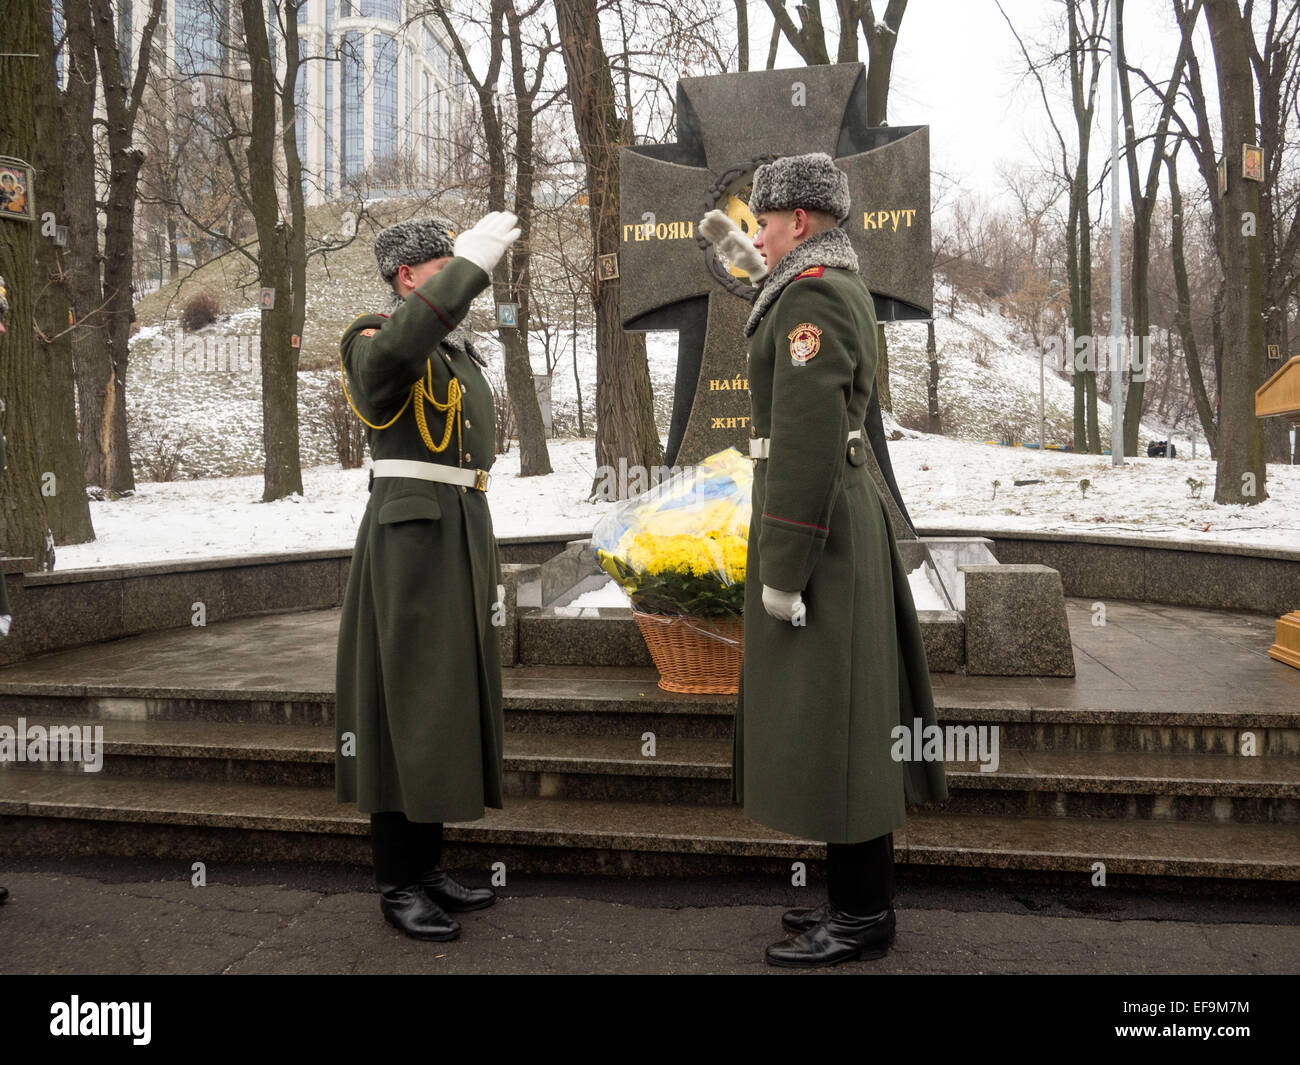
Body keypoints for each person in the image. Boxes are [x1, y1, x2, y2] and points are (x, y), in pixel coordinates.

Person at [701, 153, 948, 968]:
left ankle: (863, 915)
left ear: (799, 222)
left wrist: (782, 569)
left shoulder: (813, 297)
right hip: (838, 525)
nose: (758, 240)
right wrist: (759, 279)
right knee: (849, 721)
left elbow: (805, 445)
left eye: (765, 226)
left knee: (845, 726)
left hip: (826, 534)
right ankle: (852, 902)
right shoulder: (820, 288)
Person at [335, 211, 520, 941]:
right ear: (407, 279)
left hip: (461, 525)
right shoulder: (375, 338)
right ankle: (396, 879)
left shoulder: (454, 351)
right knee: (401, 701)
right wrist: (469, 264)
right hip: (409, 536)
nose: (454, 276)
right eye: (440, 266)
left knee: (444, 698)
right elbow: (389, 369)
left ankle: (429, 863)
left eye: (457, 263)